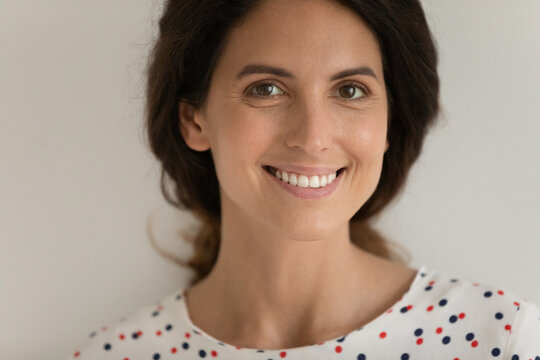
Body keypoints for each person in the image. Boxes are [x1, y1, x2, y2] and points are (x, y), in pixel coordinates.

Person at [63, 0, 540, 358]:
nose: (313, 138)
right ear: (195, 121)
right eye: (266, 89)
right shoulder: (115, 352)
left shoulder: (498, 337)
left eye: (350, 90)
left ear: (391, 121)